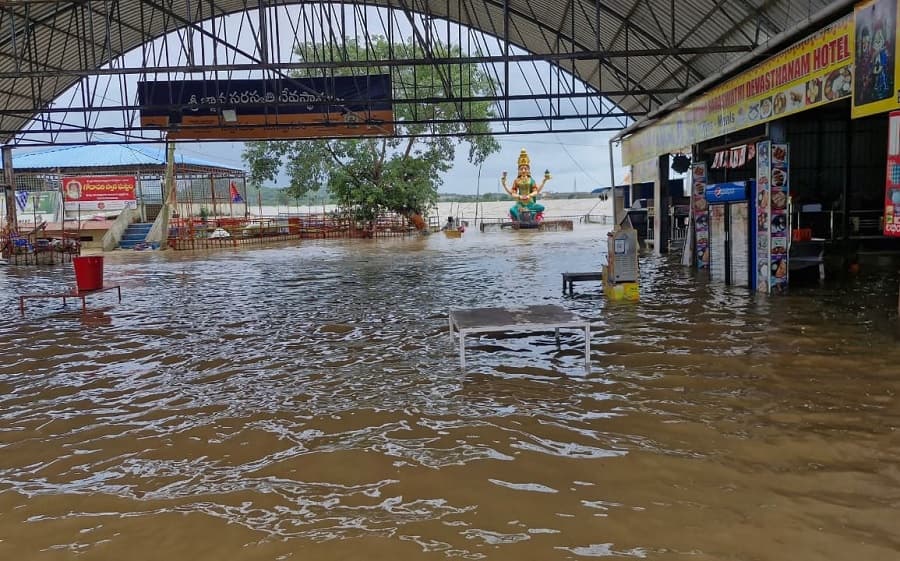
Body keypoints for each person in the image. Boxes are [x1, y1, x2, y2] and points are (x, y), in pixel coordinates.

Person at [501, 148, 550, 221]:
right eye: (521, 169)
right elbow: (513, 193)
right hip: (520, 204)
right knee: (512, 210)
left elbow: (536, 191)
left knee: (541, 208)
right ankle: (519, 220)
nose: (523, 170)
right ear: (519, 170)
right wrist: (519, 196)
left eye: (525, 168)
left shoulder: (531, 180)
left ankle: (532, 215)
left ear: (528, 170)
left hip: (530, 203)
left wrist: (529, 195)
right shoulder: (517, 180)